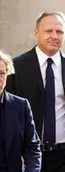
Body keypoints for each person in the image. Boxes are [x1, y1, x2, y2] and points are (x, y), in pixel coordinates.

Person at [5, 12, 65, 172]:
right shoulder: (15, 67)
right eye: (48, 31)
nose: (54, 36)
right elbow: (6, 113)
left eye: (59, 31)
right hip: (29, 156)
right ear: (36, 32)